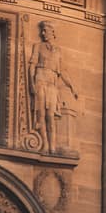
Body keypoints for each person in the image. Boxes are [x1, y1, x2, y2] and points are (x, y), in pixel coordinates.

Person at [28, 21, 77, 153]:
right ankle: (44, 144)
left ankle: (52, 146)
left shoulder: (58, 51)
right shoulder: (37, 46)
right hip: (40, 80)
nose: (42, 33)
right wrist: (31, 84)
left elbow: (63, 72)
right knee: (41, 115)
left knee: (50, 116)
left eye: (45, 30)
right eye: (42, 30)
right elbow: (32, 65)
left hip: (52, 82)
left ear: (52, 32)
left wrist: (72, 87)